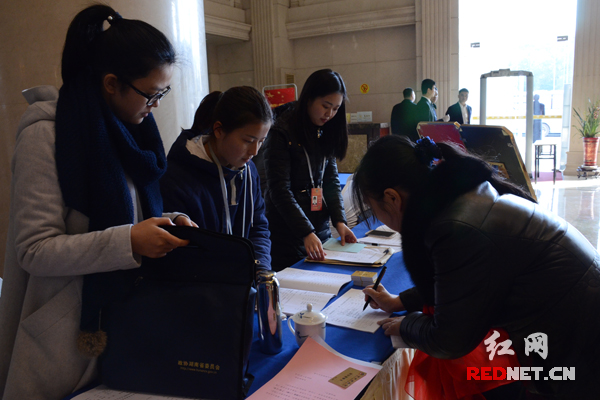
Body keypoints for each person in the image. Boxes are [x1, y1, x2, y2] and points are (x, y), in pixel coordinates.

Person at [0, 6, 196, 399]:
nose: (156, 105)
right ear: (111, 83)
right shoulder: (48, 135)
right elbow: (34, 250)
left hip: (129, 326)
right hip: (66, 341)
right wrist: (130, 241)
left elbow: (127, 212)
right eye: (151, 94)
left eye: (163, 93)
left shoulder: (133, 133)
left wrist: (165, 222)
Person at [355, 135, 600, 399]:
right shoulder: (459, 197)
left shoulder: (455, 226)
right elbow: (459, 282)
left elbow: (449, 341)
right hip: (571, 327)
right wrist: (398, 301)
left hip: (577, 354)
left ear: (392, 198)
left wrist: (406, 326)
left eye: (372, 207)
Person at [160, 87, 273, 271]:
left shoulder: (247, 169)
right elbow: (179, 256)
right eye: (248, 140)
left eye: (261, 141)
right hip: (203, 290)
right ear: (219, 130)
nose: (254, 152)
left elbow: (257, 226)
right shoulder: (177, 177)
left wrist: (260, 270)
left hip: (240, 284)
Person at [263, 69, 357, 271]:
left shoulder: (325, 129)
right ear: (308, 99)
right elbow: (279, 189)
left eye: (335, 109)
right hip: (286, 233)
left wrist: (339, 221)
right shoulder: (281, 131)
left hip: (318, 230)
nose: (329, 114)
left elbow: (330, 181)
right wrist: (305, 231)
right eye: (325, 106)